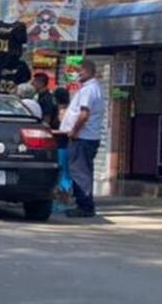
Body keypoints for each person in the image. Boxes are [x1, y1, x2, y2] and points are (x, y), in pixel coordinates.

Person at [60, 59, 106, 218]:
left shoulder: (88, 90)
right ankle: (84, 203)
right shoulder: (94, 88)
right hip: (88, 137)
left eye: (81, 71)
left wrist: (74, 131)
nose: (78, 74)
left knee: (80, 173)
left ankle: (84, 206)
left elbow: (84, 114)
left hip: (83, 137)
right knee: (83, 171)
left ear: (90, 72)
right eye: (77, 71)